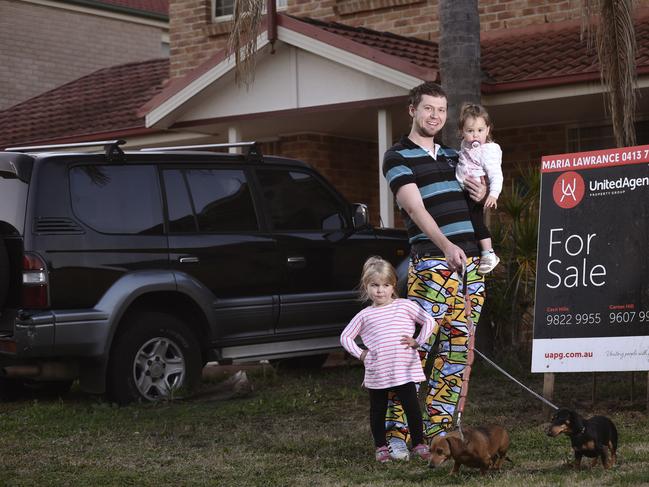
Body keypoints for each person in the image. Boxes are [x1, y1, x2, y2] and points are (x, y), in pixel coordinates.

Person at [381, 82, 487, 460]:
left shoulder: (454, 155)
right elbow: (415, 208)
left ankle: (439, 437)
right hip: (433, 263)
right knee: (417, 349)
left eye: (441, 110)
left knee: (457, 353)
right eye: (428, 109)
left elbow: (479, 201)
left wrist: (483, 192)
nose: (435, 117)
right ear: (412, 110)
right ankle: (396, 435)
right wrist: (446, 246)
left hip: (470, 266)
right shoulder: (398, 156)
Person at [340, 256, 437, 463]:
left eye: (385, 285)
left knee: (411, 407)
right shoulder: (365, 315)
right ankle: (381, 447)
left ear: (393, 286)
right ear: (366, 287)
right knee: (377, 410)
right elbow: (345, 337)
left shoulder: (405, 306)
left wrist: (418, 341)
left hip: (403, 370)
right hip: (378, 372)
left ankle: (419, 443)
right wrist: (361, 353)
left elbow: (429, 321)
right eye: (374, 285)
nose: (380, 290)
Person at [455, 102, 503, 275]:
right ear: (462, 132)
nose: (475, 135)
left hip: (473, 193)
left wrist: (493, 194)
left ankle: (489, 253)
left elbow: (496, 174)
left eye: (480, 130)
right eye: (470, 131)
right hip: (463, 190)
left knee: (476, 222)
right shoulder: (464, 146)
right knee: (469, 223)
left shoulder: (488, 151)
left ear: (488, 130)